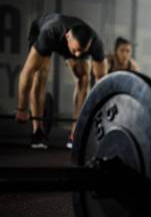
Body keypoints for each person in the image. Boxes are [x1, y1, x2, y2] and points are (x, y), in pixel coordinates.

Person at [15, 14, 107, 149]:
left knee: (84, 78)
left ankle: (75, 133)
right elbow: (27, 72)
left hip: (73, 41)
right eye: (76, 50)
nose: (77, 55)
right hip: (42, 30)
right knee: (40, 74)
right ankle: (38, 131)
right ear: (68, 37)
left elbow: (102, 83)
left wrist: (102, 115)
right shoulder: (50, 33)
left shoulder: (95, 43)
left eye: (82, 51)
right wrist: (22, 108)